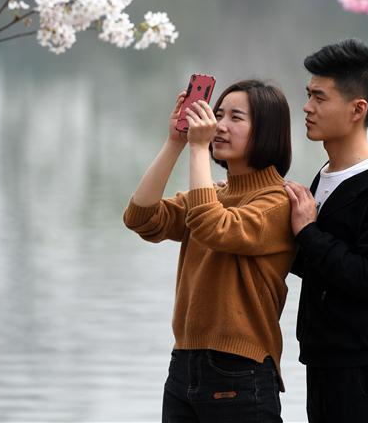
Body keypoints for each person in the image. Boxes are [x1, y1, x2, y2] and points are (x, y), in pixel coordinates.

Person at [122, 79, 295, 422]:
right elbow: (140, 218)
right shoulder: (211, 194)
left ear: (267, 131)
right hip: (184, 363)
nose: (219, 125)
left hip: (240, 370)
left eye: (236, 117)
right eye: (218, 114)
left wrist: (199, 150)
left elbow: (214, 227)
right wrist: (176, 142)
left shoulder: (277, 203)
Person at [283, 39, 368, 423]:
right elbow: (321, 267)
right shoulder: (325, 178)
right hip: (324, 366)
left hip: (366, 378)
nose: (307, 108)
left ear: (358, 109)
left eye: (320, 98)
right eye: (308, 95)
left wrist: (308, 233)